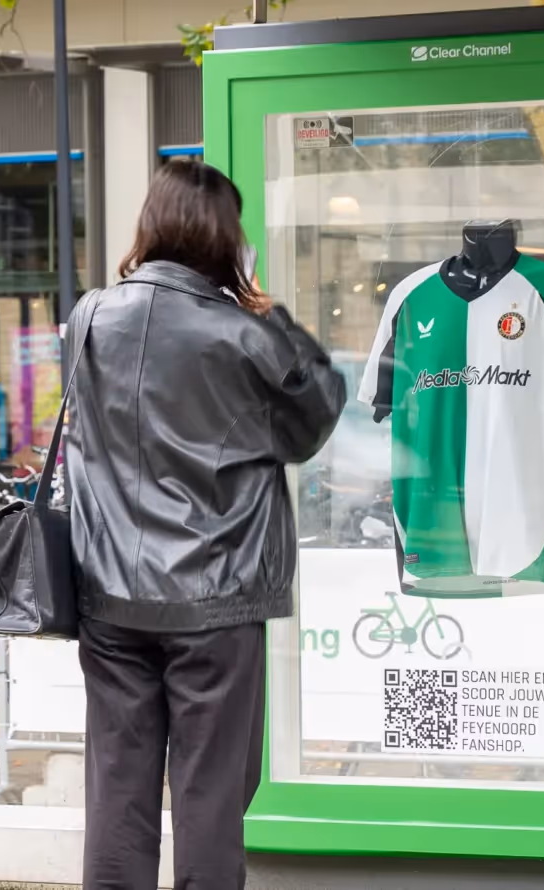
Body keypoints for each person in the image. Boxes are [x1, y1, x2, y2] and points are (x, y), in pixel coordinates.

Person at [64, 160, 346, 890]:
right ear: (227, 237)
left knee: (117, 801)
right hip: (214, 602)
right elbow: (313, 416)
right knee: (210, 802)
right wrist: (268, 310)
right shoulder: (242, 335)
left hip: (110, 597)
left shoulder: (89, 318)